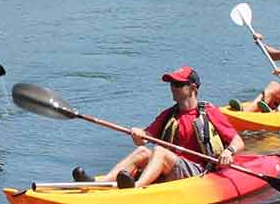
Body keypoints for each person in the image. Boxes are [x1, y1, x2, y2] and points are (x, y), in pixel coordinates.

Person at [73, 67, 245, 189]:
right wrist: (138, 134)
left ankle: (137, 188)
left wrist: (228, 151)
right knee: (143, 152)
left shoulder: (209, 112)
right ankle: (102, 183)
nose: (172, 88)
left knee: (159, 151)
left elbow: (238, 141)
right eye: (171, 84)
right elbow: (144, 138)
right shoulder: (169, 114)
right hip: (171, 167)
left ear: (192, 88)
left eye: (177, 84)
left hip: (197, 170)